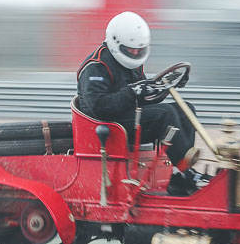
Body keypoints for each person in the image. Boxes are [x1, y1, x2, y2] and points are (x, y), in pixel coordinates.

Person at [76, 11, 204, 196]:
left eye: (139, 50)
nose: (135, 53)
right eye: (131, 50)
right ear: (116, 43)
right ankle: (186, 170)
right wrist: (132, 92)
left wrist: (165, 87)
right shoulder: (97, 66)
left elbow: (144, 98)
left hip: (127, 117)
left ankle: (179, 175)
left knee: (186, 110)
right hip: (107, 127)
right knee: (165, 114)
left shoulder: (132, 64)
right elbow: (100, 107)